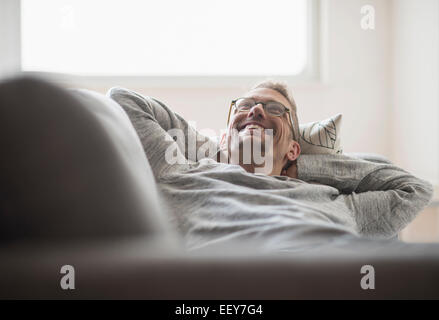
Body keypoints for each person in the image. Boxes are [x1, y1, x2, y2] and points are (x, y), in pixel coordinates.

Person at [108, 80, 433, 252]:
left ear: (294, 148)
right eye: (245, 106)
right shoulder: (181, 171)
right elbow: (125, 99)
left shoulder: (335, 199)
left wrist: (302, 168)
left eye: (274, 108)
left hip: (327, 274)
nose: (256, 110)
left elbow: (415, 189)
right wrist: (219, 153)